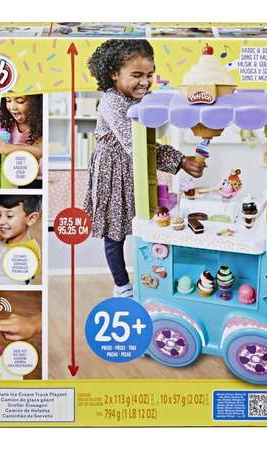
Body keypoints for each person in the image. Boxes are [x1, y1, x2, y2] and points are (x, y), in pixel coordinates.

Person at [83, 40, 204, 298]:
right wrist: (180, 160)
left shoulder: (141, 99)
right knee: (115, 233)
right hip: (112, 172)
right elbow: (138, 144)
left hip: (136, 169)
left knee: (148, 223)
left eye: (149, 75)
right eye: (136, 75)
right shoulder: (111, 101)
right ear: (114, 73)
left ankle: (151, 278)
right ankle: (122, 285)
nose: (145, 82)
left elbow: (145, 144)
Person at [0, 94, 43, 189]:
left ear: (36, 103)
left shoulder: (42, 125)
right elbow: (6, 160)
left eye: (20, 101)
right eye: (8, 100)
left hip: (39, 181)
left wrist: (4, 147)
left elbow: (39, 151)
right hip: (16, 179)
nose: (12, 107)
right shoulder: (7, 124)